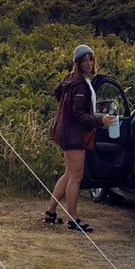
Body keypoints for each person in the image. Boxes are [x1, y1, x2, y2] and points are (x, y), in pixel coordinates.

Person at [45, 44, 117, 233]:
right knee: (76, 177)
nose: (88, 63)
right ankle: (73, 219)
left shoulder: (72, 80)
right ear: (77, 63)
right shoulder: (80, 85)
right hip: (74, 135)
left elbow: (58, 92)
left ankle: (50, 213)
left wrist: (66, 111)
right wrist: (100, 121)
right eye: (84, 60)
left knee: (69, 175)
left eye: (90, 59)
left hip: (68, 132)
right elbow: (78, 114)